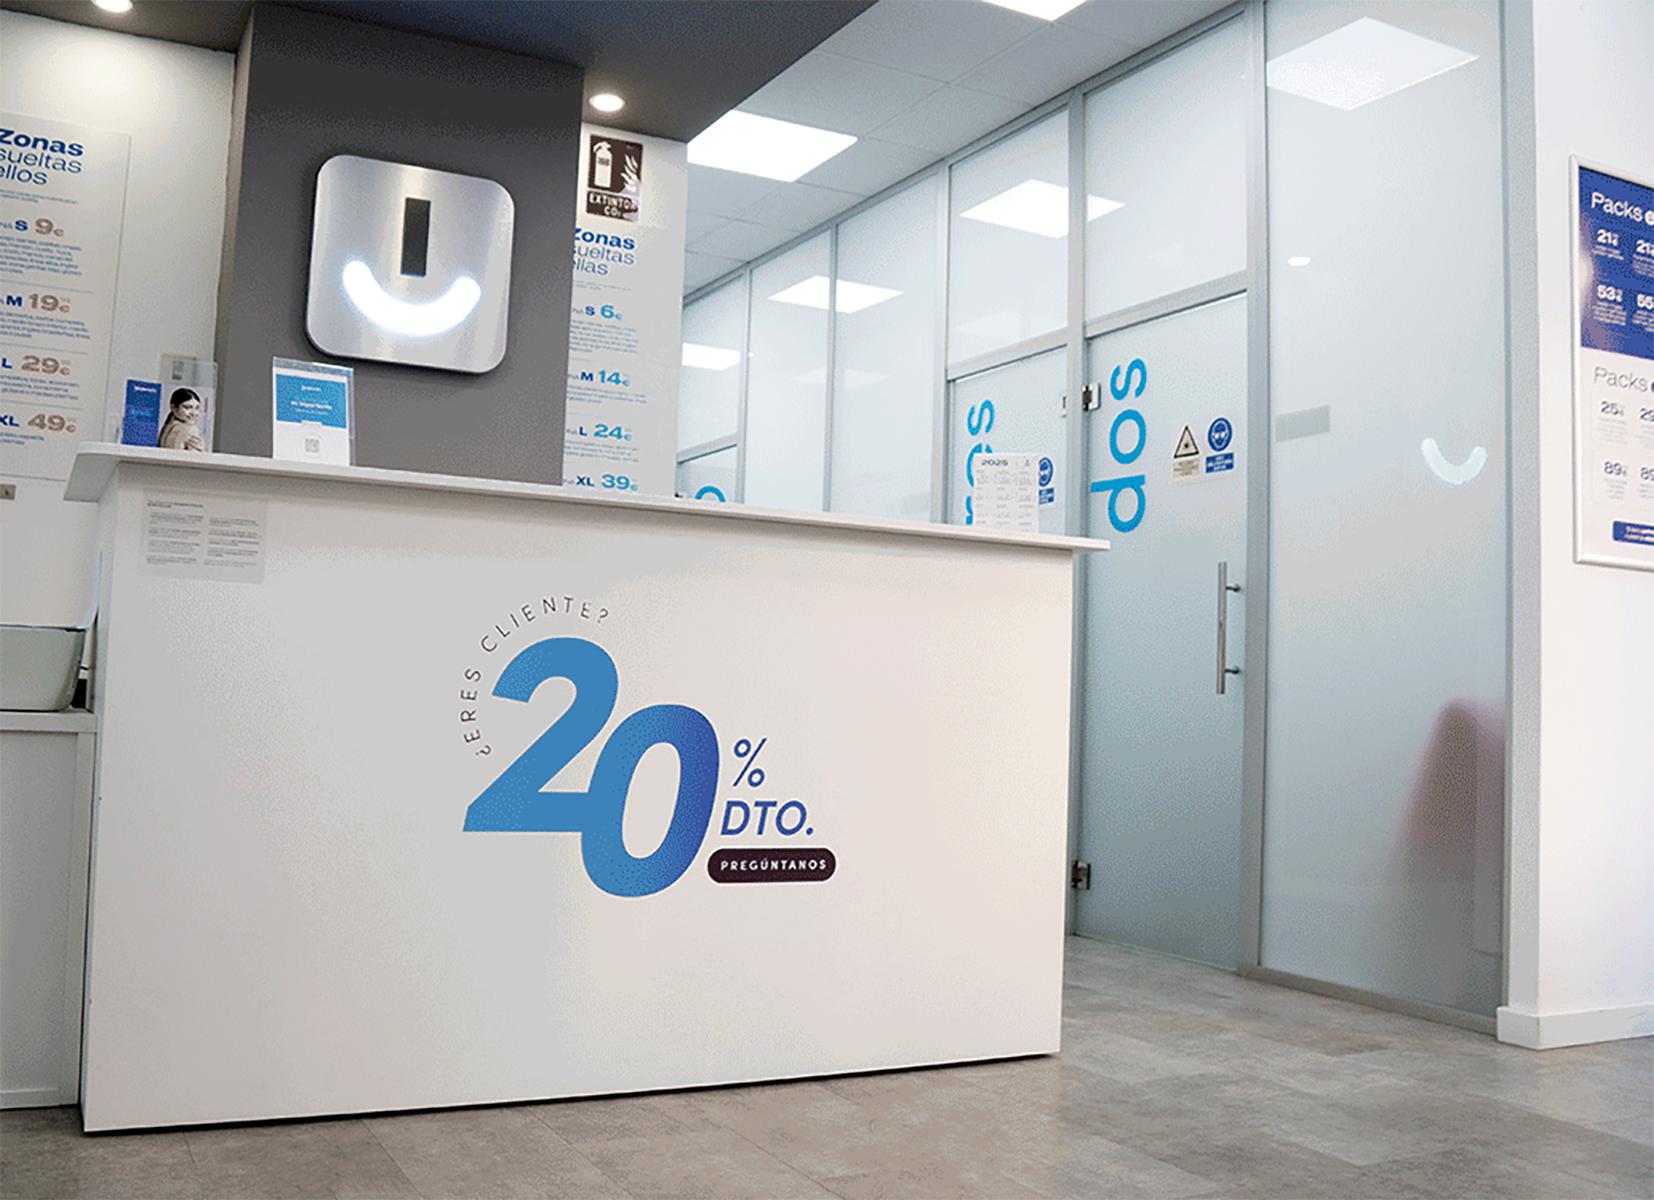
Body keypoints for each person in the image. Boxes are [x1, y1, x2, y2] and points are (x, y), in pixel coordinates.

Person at [157, 388, 207, 452]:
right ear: (173, 407)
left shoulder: (167, 428)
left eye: (197, 408)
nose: (194, 413)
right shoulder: (189, 429)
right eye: (187, 407)